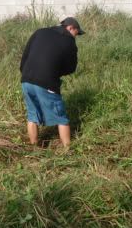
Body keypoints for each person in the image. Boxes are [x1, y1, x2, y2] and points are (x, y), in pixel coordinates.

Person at [20, 17, 84, 149]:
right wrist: (54, 74)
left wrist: (25, 73)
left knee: (32, 116)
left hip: (26, 79)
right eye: (76, 33)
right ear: (70, 27)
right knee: (61, 118)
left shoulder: (40, 32)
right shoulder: (69, 41)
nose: (75, 37)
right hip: (46, 82)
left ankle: (34, 148)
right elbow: (71, 68)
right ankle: (68, 150)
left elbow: (25, 55)